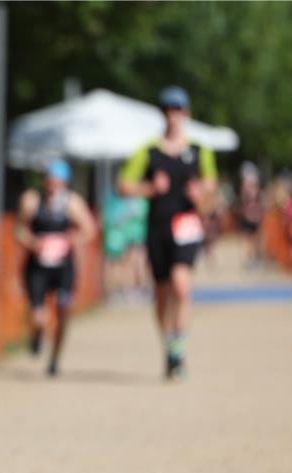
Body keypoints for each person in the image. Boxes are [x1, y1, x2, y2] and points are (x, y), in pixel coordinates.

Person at [118, 86, 217, 380]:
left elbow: (211, 190)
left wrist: (200, 194)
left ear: (186, 114)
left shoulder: (199, 151)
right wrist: (149, 188)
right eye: (168, 110)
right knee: (161, 293)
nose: (173, 116)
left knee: (181, 285)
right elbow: (123, 185)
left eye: (178, 110)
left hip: (186, 225)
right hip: (157, 227)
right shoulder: (148, 151)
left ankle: (178, 347)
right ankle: (168, 344)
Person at [16, 160, 97, 376]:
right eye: (50, 181)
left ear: (64, 183)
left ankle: (54, 359)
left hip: (63, 267)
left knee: (63, 311)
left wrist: (72, 240)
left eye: (57, 182)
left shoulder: (73, 203)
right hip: (37, 266)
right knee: (38, 316)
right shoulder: (32, 201)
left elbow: (89, 229)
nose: (52, 186)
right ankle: (36, 335)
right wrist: (33, 243)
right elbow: (19, 229)